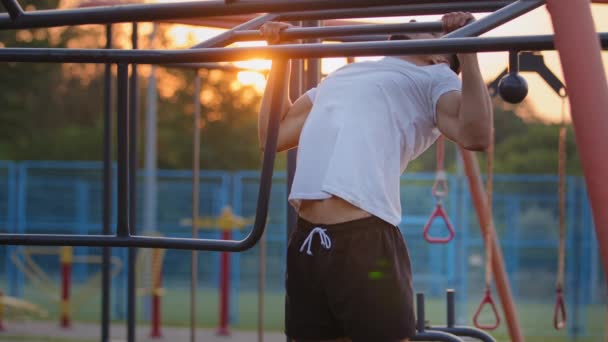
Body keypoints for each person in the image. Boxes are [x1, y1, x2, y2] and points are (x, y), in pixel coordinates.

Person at [258, 12, 492, 342]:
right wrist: (278, 56)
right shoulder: (344, 74)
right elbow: (274, 135)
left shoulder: (437, 79)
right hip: (308, 238)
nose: (414, 21)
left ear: (441, 54)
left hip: (364, 238)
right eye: (413, 20)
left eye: (430, 31)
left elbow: (476, 135)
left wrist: (468, 50)